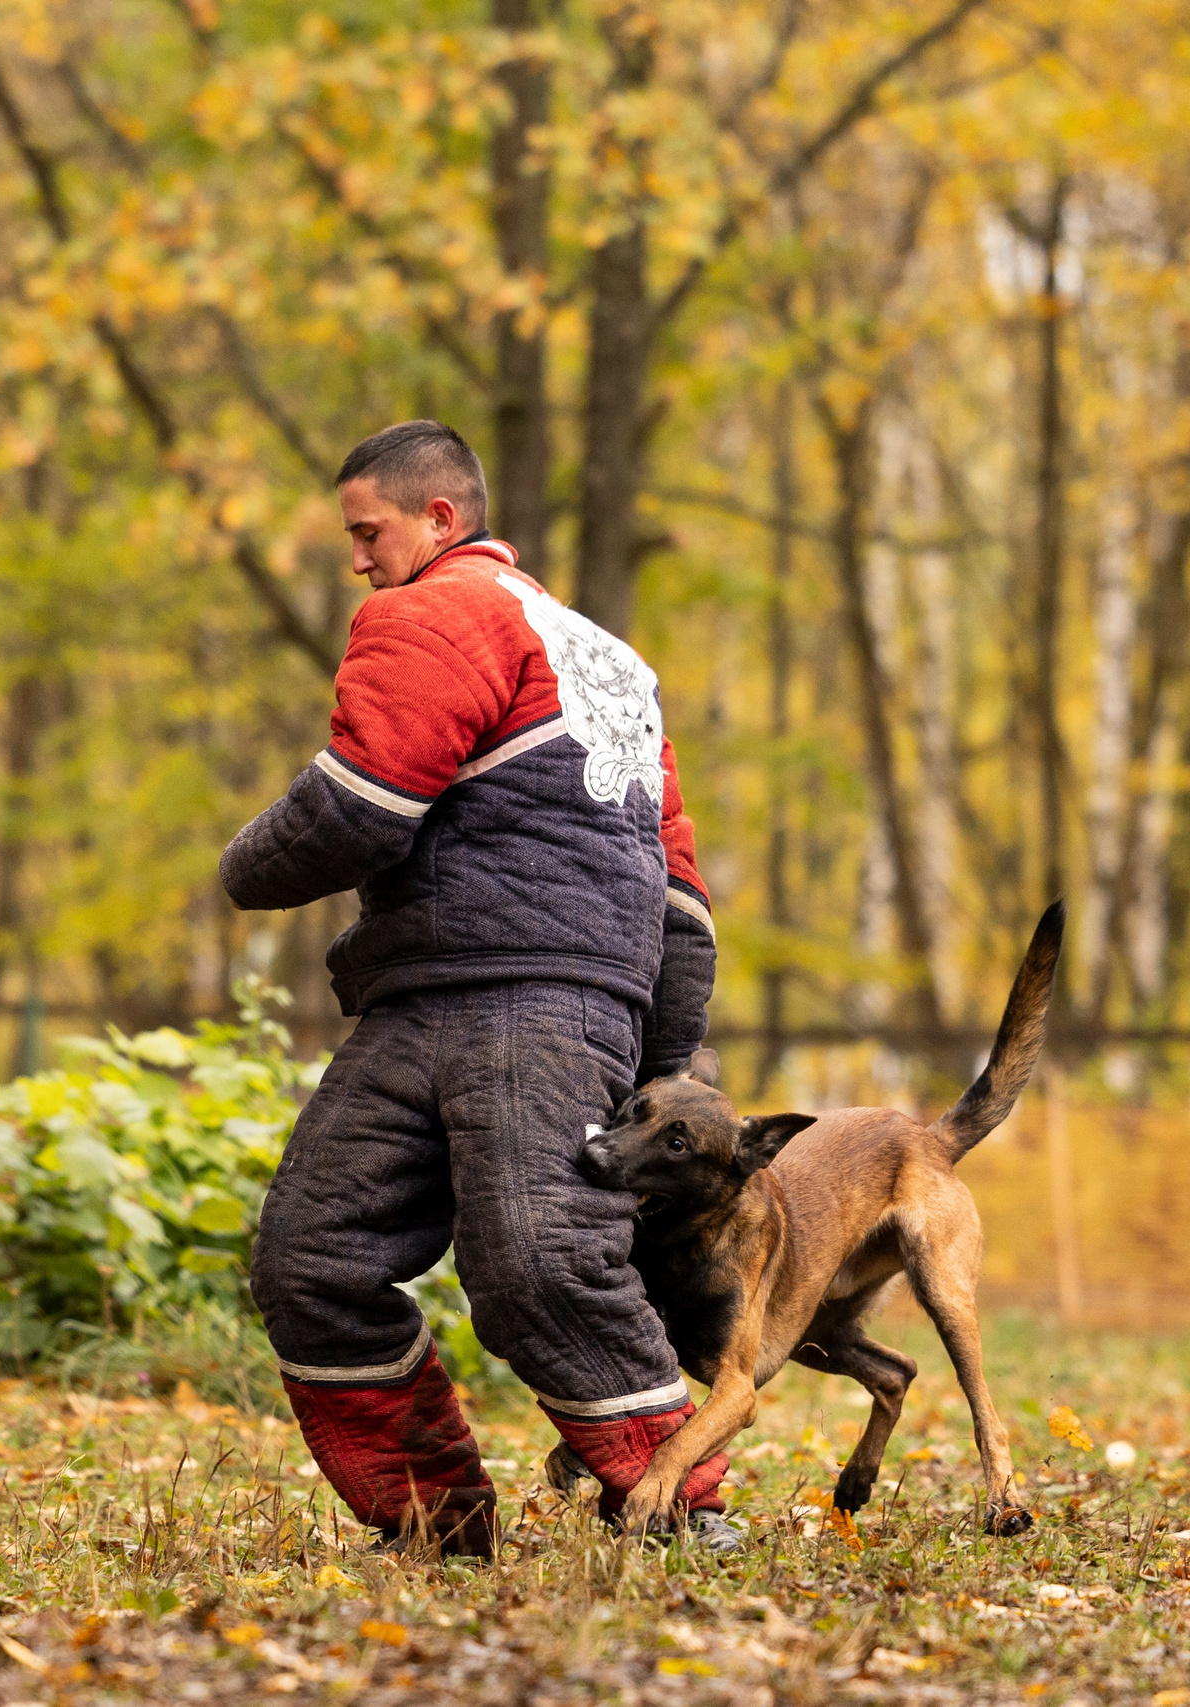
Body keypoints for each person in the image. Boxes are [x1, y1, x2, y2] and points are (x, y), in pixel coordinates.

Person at [220, 420, 730, 1555]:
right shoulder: (612, 662)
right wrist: (666, 1056)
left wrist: (240, 868)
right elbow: (678, 891)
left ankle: (680, 1513)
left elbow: (359, 803)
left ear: (440, 520)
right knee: (315, 1254)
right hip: (432, 998)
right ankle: (435, 1519)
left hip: (523, 997)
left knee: (539, 1257)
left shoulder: (431, 610)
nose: (359, 559)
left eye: (370, 532)